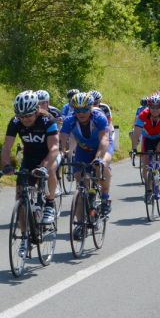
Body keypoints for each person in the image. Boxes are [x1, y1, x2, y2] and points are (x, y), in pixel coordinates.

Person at [0, 91, 60, 256]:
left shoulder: (48, 120)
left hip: (49, 154)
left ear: (36, 110)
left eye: (28, 116)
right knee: (20, 197)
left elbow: (55, 148)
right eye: (21, 116)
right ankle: (26, 237)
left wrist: (44, 165)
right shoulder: (15, 122)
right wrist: (6, 165)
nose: (25, 119)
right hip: (29, 158)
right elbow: (6, 147)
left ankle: (49, 203)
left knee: (51, 168)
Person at [60, 92, 112, 222]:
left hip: (102, 146)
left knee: (101, 165)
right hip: (83, 149)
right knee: (81, 183)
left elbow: (104, 139)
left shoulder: (99, 117)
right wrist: (61, 154)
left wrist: (98, 157)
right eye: (77, 110)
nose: (81, 113)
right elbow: (62, 140)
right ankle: (80, 224)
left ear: (90, 108)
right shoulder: (69, 121)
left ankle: (105, 198)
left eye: (84, 109)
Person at [132, 93, 160, 191]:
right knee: (145, 165)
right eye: (152, 107)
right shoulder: (143, 115)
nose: (155, 110)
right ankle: (149, 189)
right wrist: (134, 148)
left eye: (157, 107)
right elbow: (136, 133)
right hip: (148, 138)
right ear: (149, 106)